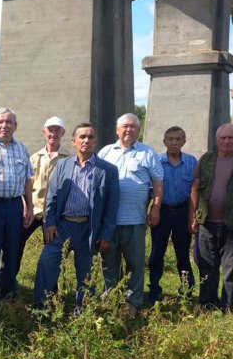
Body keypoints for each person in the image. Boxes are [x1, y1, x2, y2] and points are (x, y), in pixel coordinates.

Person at [33, 123, 119, 310]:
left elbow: (112, 207)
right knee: (46, 263)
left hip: (88, 230)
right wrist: (49, 223)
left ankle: (82, 311)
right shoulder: (63, 165)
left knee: (85, 274)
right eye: (82, 137)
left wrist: (106, 234)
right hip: (61, 228)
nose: (86, 140)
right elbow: (52, 196)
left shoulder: (108, 170)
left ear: (95, 141)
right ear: (74, 141)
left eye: (90, 137)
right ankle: (42, 308)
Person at [189, 123, 233, 311]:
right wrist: (193, 217)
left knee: (231, 267)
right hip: (206, 223)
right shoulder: (206, 159)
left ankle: (229, 306)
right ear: (216, 140)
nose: (227, 141)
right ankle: (207, 304)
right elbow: (195, 188)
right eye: (223, 138)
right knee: (206, 266)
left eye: (231, 138)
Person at [97, 113, 164, 315]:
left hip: (135, 219)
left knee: (135, 263)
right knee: (108, 262)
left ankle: (132, 302)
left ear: (139, 129)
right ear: (117, 130)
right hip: (108, 221)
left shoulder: (147, 152)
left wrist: (155, 208)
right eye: (125, 126)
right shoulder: (106, 152)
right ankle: (110, 298)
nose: (129, 130)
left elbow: (158, 184)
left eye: (133, 126)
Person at [0, 108, 34, 308]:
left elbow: (28, 179)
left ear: (15, 126)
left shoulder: (21, 148)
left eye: (9, 122)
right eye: (0, 122)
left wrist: (29, 206)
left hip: (15, 206)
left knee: (13, 251)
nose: (5, 125)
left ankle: (9, 293)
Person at [147, 126, 198, 303]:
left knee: (183, 254)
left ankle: (186, 289)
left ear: (184, 141)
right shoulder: (156, 161)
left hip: (182, 212)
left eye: (178, 139)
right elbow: (150, 188)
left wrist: (192, 216)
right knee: (156, 253)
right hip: (162, 212)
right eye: (170, 139)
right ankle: (154, 289)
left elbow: (194, 190)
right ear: (164, 142)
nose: (174, 142)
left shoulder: (192, 162)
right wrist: (150, 211)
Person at [16, 116, 69, 269]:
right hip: (34, 210)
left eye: (57, 130)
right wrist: (26, 206)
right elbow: (26, 184)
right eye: (50, 130)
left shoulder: (68, 158)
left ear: (63, 132)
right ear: (44, 132)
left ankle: (51, 288)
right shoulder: (34, 158)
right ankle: (7, 280)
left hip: (55, 214)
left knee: (54, 251)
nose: (54, 133)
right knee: (16, 244)